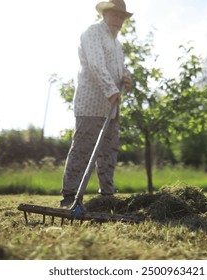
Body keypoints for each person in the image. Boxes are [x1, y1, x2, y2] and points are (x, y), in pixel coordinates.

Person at [60, 0, 133, 208]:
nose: (119, 20)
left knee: (109, 152)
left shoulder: (118, 46)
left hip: (111, 109)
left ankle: (107, 197)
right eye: (115, 15)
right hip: (91, 104)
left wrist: (126, 79)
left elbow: (120, 70)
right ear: (105, 14)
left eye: (122, 17)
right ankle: (69, 195)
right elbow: (95, 64)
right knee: (83, 149)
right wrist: (111, 91)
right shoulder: (92, 33)